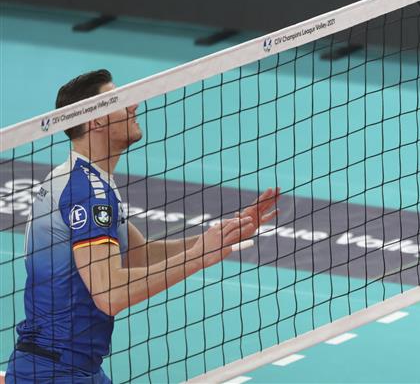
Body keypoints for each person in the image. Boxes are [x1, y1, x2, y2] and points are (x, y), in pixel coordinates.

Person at [6, 70, 279, 384]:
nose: (133, 104)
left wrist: (216, 239)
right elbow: (110, 295)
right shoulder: (88, 192)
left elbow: (138, 254)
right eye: (119, 100)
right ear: (96, 120)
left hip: (66, 366)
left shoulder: (82, 178)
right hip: (55, 373)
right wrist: (197, 258)